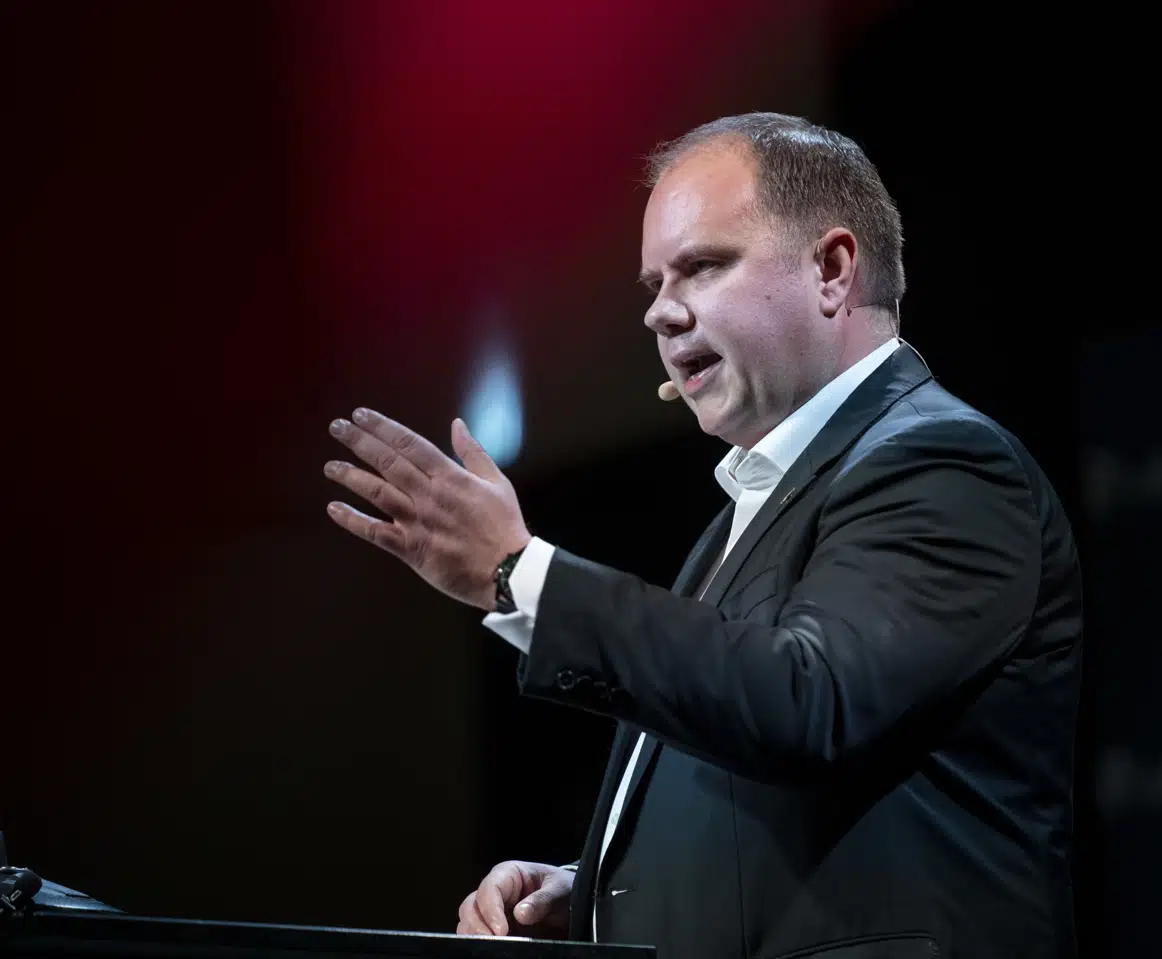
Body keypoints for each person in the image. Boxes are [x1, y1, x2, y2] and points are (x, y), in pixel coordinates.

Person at [324, 112, 1083, 959]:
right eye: (652, 285)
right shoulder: (750, 510)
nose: (659, 314)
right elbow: (764, 773)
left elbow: (806, 702)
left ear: (832, 269)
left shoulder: (943, 464)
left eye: (702, 267)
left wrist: (516, 572)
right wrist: (600, 890)